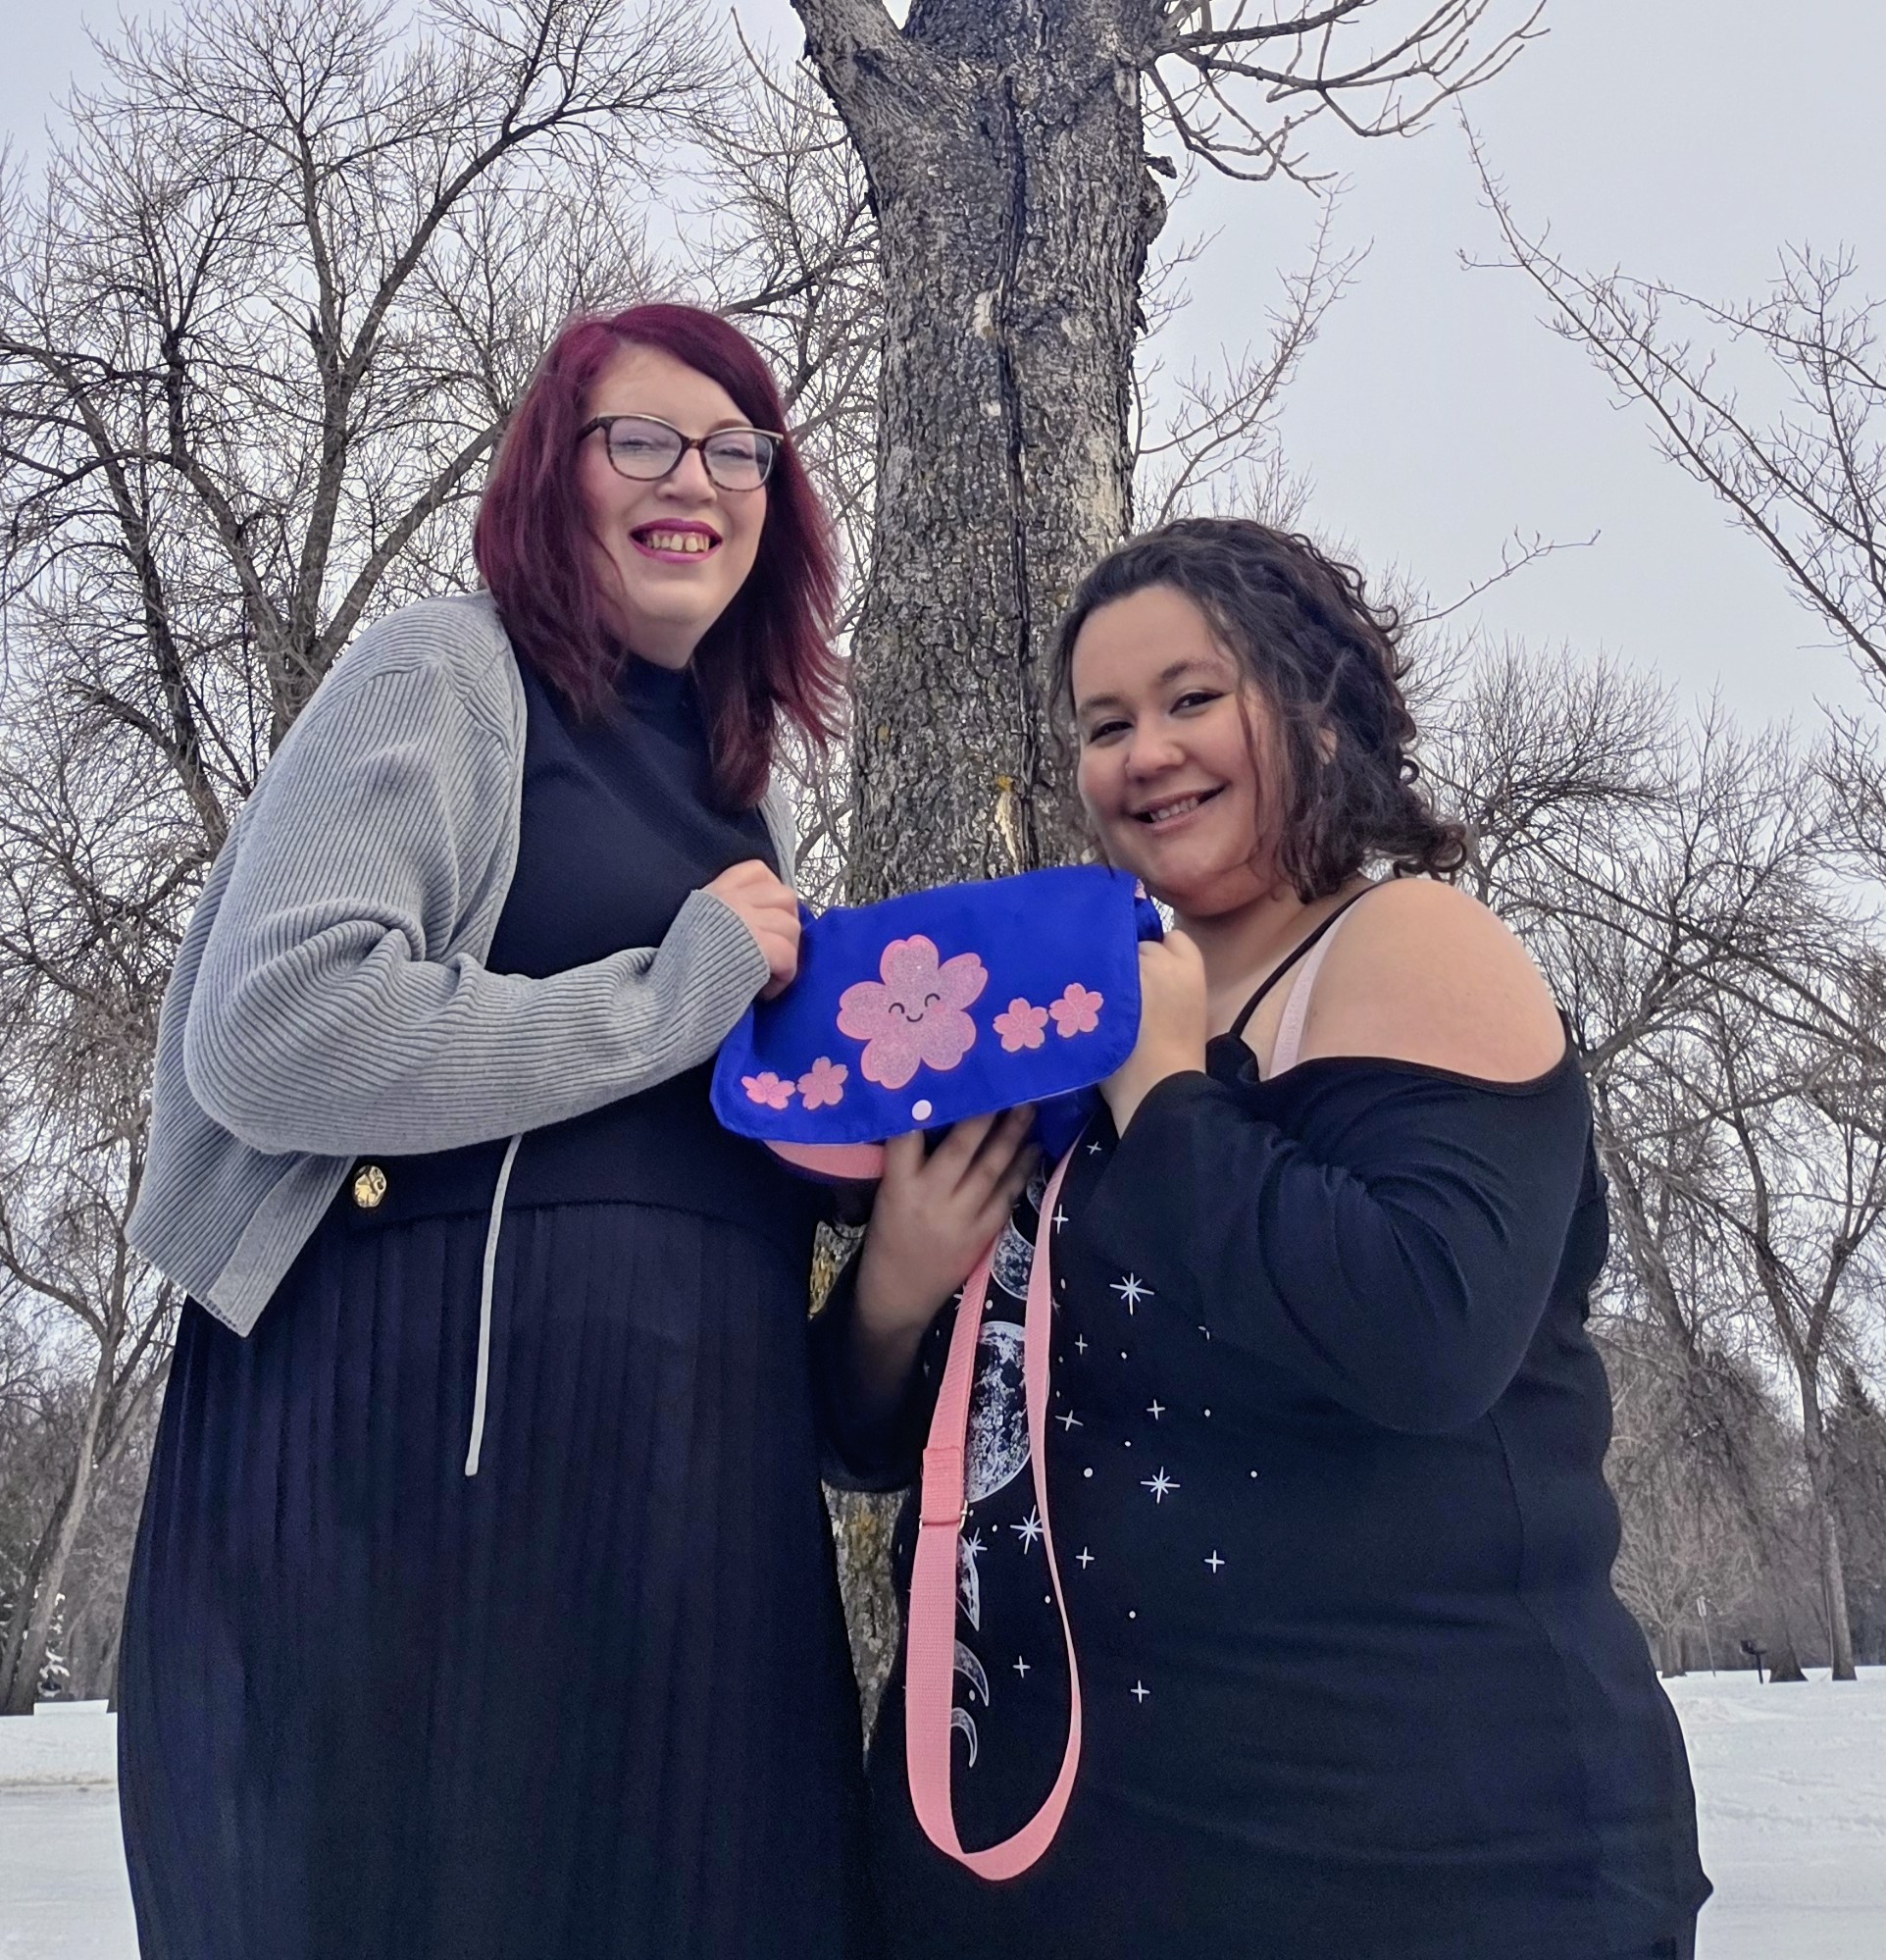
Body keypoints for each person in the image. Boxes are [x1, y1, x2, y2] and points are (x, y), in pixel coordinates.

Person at [822, 518, 1710, 1959]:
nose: (1144, 752)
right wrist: (895, 1291)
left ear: (1308, 700)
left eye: (1190, 697)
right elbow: (880, 1438)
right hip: (1051, 1867)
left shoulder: (1407, 944)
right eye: (1106, 724)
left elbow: (1426, 1332)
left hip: (1405, 1866)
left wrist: (1171, 1090)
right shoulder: (1070, 1023)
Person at [120, 303, 881, 1959]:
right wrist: (672, 998)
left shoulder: (755, 790)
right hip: (402, 1507)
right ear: (553, 470)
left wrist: (838, 1154)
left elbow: (686, 1124)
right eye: (646, 439)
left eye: (738, 448)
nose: (699, 478)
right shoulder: (447, 672)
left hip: (703, 1528)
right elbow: (280, 1027)